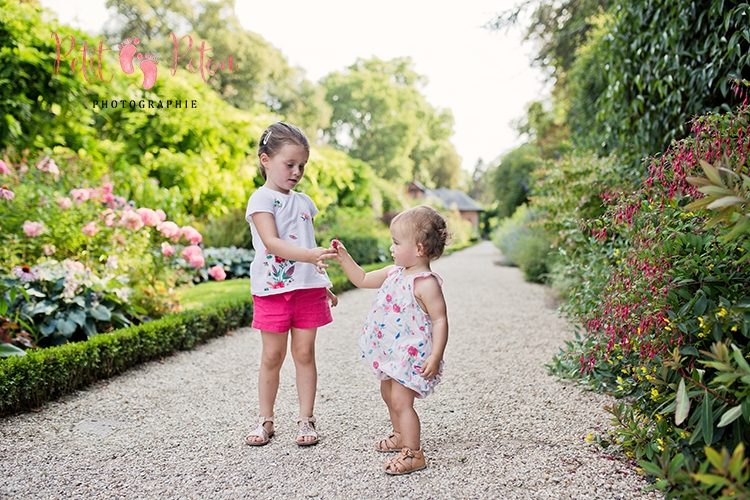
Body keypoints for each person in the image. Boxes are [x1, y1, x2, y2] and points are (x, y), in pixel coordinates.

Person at [330, 205, 450, 475]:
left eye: (396, 243)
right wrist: (344, 258)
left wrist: (435, 355)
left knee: (401, 401)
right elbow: (360, 279)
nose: (392, 248)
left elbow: (440, 320)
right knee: (387, 393)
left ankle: (414, 453)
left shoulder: (425, 283)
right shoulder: (393, 272)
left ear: (419, 249)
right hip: (389, 350)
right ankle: (399, 435)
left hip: (410, 354)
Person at [244, 122, 338, 447]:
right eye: (290, 164)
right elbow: (271, 243)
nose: (297, 172)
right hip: (272, 291)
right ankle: (265, 420)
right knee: (272, 355)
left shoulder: (305, 202)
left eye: (302, 166)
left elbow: (308, 243)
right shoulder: (261, 200)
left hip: (307, 292)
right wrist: (310, 256)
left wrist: (321, 283)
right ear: (265, 159)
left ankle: (306, 418)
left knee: (304, 353)